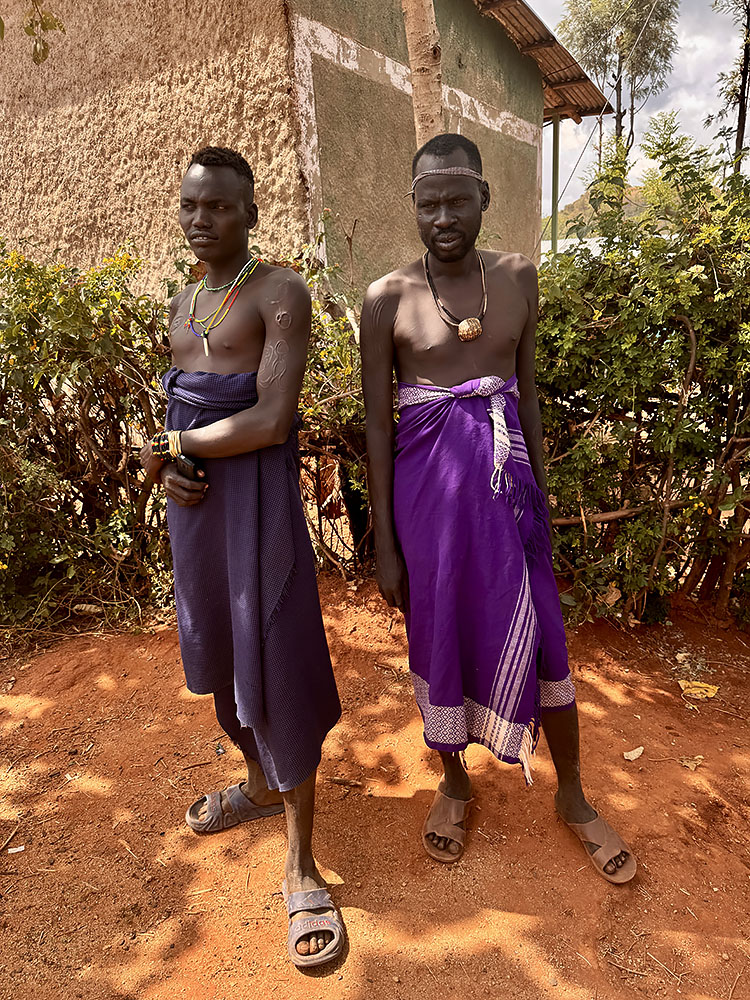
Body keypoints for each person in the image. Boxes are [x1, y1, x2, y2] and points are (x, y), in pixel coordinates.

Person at [360, 133, 636, 883]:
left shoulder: (517, 278)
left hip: (511, 502)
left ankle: (572, 793)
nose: (443, 217)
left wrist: (540, 498)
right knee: (439, 633)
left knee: (546, 635)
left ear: (485, 198)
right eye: (428, 204)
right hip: (429, 509)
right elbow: (378, 425)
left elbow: (527, 396)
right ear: (413, 206)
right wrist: (385, 544)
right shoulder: (385, 299)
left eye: (458, 200)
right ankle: (454, 783)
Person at [140, 146, 345, 966]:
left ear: (251, 212)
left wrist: (174, 447)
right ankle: (259, 785)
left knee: (276, 656)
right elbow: (181, 412)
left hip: (257, 508)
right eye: (190, 205)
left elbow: (269, 419)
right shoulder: (183, 301)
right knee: (219, 654)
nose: (201, 219)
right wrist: (170, 468)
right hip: (197, 511)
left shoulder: (279, 292)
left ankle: (301, 861)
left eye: (219, 206)